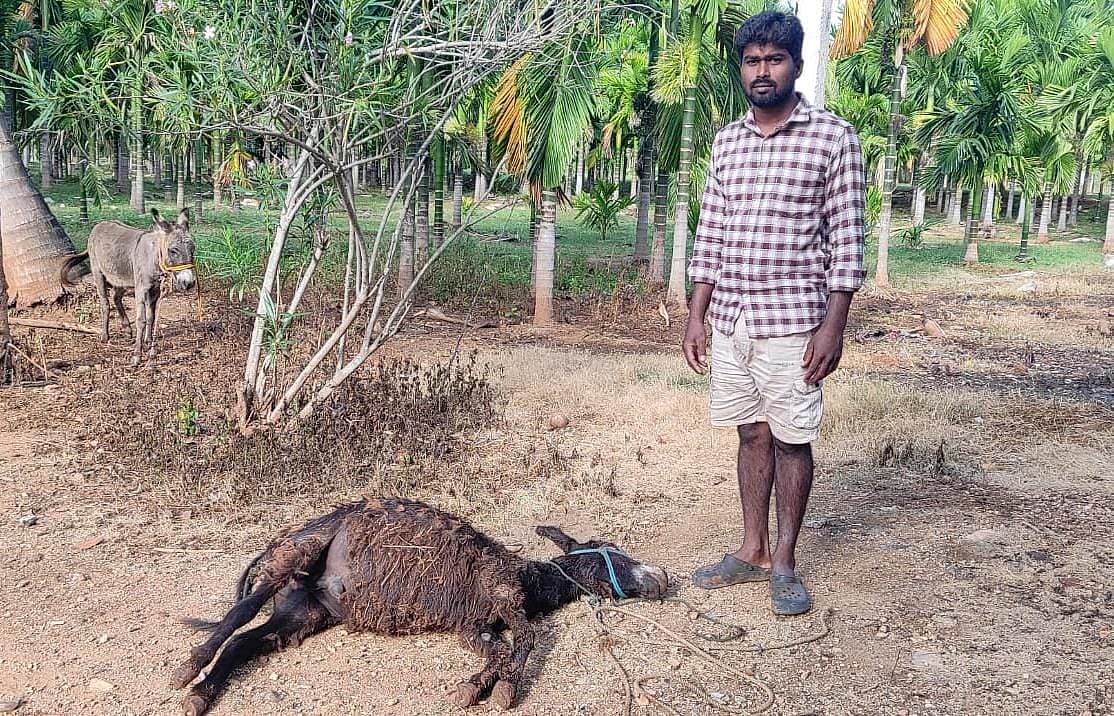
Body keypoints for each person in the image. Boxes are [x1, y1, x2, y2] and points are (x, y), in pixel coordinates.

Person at [681, 11, 865, 616]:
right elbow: (711, 230)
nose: (763, 72)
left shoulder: (833, 138)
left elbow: (847, 239)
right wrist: (696, 313)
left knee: (791, 441)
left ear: (797, 66)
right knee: (750, 433)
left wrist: (833, 326)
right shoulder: (727, 141)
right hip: (734, 320)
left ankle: (784, 560)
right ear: (743, 70)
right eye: (753, 61)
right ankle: (751, 549)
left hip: (795, 323)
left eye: (775, 60)